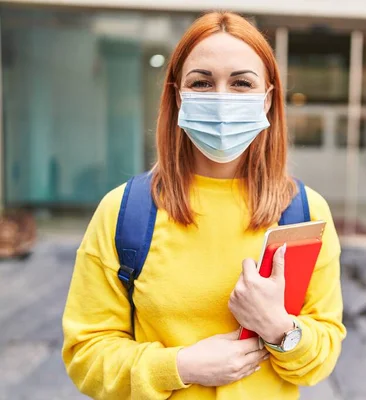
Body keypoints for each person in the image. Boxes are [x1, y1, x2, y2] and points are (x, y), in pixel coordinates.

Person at [62, 11, 345, 400]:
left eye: (242, 83)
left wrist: (280, 329)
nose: (222, 98)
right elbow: (86, 356)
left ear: (267, 100)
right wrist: (180, 366)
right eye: (202, 82)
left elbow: (322, 358)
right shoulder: (123, 211)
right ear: (179, 96)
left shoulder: (307, 213)